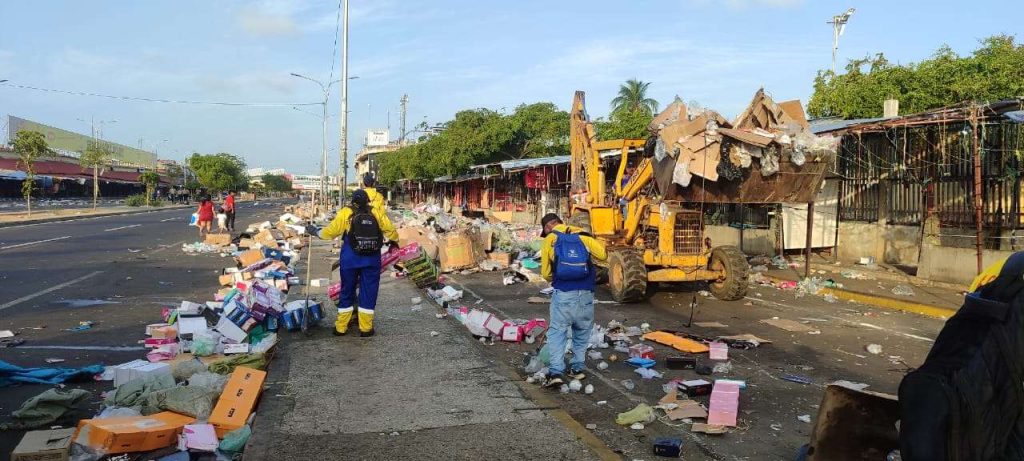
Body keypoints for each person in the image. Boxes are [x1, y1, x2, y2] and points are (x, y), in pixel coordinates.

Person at [307, 189, 398, 337]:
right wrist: (394, 242)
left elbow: (331, 232)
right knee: (369, 292)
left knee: (347, 291)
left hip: (350, 258)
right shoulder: (376, 212)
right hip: (371, 258)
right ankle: (366, 328)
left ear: (352, 201)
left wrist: (315, 231)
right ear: (368, 201)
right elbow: (391, 230)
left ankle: (341, 327)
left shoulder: (346, 212)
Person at [538, 213, 607, 388]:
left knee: (557, 332)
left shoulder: (551, 239)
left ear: (548, 227)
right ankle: (577, 369)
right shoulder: (583, 235)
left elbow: (545, 273)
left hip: (564, 293)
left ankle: (556, 372)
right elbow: (603, 255)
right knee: (582, 331)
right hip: (585, 293)